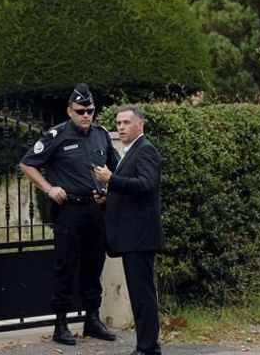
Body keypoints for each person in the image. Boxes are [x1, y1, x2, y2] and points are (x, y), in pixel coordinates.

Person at [20, 83, 119, 345]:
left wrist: (109, 191)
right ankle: (61, 324)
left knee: (93, 265)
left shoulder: (101, 135)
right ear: (69, 111)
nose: (86, 115)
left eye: (90, 110)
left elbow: (115, 168)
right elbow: (27, 164)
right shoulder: (57, 135)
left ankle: (92, 320)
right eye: (80, 111)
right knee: (65, 266)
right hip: (69, 210)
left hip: (96, 209)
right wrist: (48, 188)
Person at [94, 106, 164, 355]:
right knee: (139, 293)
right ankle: (148, 344)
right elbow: (132, 192)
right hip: (132, 236)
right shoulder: (130, 151)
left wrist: (112, 180)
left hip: (140, 236)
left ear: (140, 125)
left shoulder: (145, 150)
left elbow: (146, 185)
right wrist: (108, 197)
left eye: (125, 122)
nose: (120, 127)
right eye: (118, 123)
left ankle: (147, 347)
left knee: (142, 293)